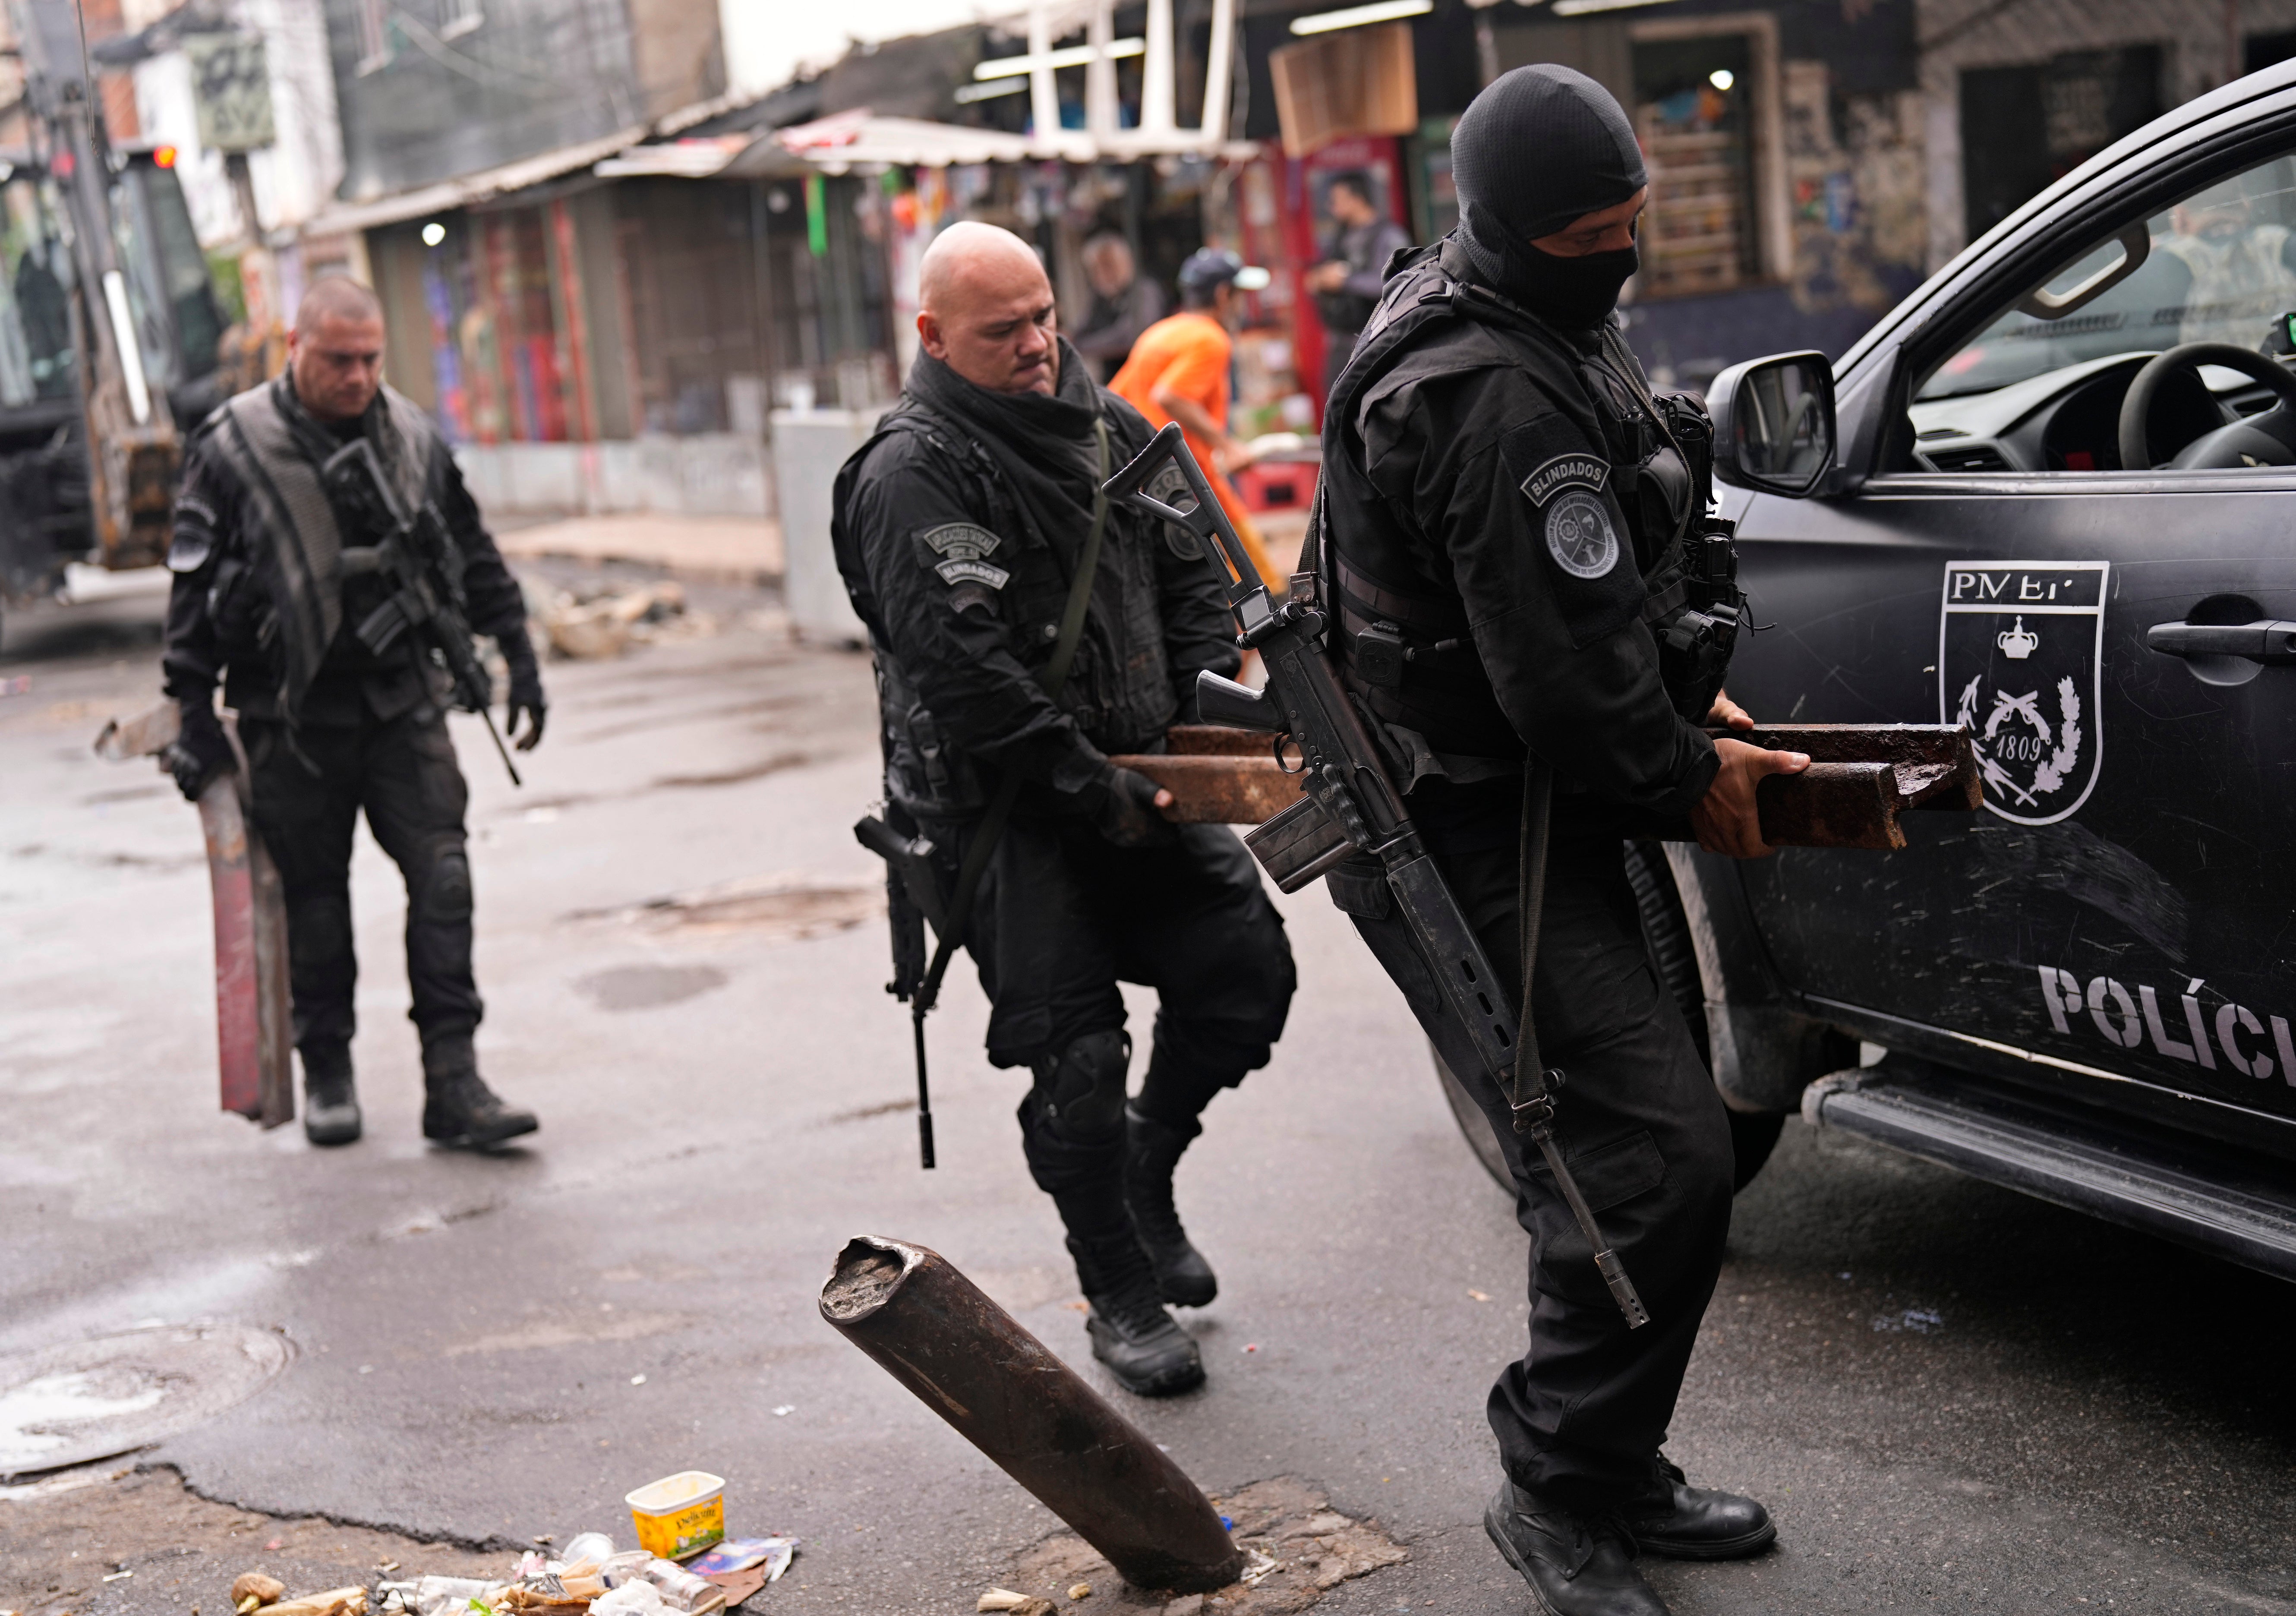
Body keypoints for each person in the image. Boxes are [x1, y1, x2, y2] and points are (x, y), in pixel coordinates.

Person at [1316, 67, 1810, 1616]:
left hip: (1520, 794)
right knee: (1649, 1154)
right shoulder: (1493, 390)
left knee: (1652, 1147)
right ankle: (1553, 1486)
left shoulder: (1519, 312)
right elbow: (1555, 679)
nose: (1620, 252)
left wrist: (1687, 709)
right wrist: (1689, 775)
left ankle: (1605, 1466)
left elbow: (1595, 612)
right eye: (1590, 231)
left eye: (1630, 223)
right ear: (1518, 229)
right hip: (1452, 821)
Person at [832, 223, 1296, 1398]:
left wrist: (1197, 709)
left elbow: (1198, 568)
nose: (1039, 345)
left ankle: (1147, 1172)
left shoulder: (1111, 427)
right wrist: (1096, 782)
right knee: (1079, 1060)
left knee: (1244, 979)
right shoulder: (911, 472)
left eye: (1045, 317)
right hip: (1012, 820)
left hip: (1144, 786)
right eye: (1005, 331)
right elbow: (967, 677)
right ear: (933, 336)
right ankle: (1118, 1290)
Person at [159, 277, 546, 1151]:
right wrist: (190, 710)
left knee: (445, 877)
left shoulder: (409, 432)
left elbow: (471, 548)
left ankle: (454, 1082)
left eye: (371, 358)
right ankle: (327, 1065)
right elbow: (188, 592)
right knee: (315, 901)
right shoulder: (234, 446)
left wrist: (517, 654)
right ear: (294, 344)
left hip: (401, 700)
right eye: (339, 359)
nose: (358, 376)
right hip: (289, 714)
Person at [1108, 248, 1282, 590]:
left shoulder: (1158, 333)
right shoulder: (1211, 338)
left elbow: (1117, 399)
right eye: (1238, 295)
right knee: (1260, 583)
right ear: (1222, 295)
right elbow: (1170, 395)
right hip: (1194, 479)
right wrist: (1227, 445)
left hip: (1154, 487)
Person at [1306, 171, 1413, 383]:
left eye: (1335, 200)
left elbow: (1396, 283)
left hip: (1379, 340)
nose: (1331, 207)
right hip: (1342, 342)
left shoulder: (1389, 236)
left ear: (1355, 199)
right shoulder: (1341, 236)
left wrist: (1345, 281)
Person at [1071, 232, 1164, 382]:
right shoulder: (1100, 298)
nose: (1103, 274)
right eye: (1096, 269)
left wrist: (1082, 346)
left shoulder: (1145, 291)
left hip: (1147, 379)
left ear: (1127, 263)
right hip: (1116, 382)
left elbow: (1129, 337)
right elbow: (1079, 332)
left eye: (1109, 265)